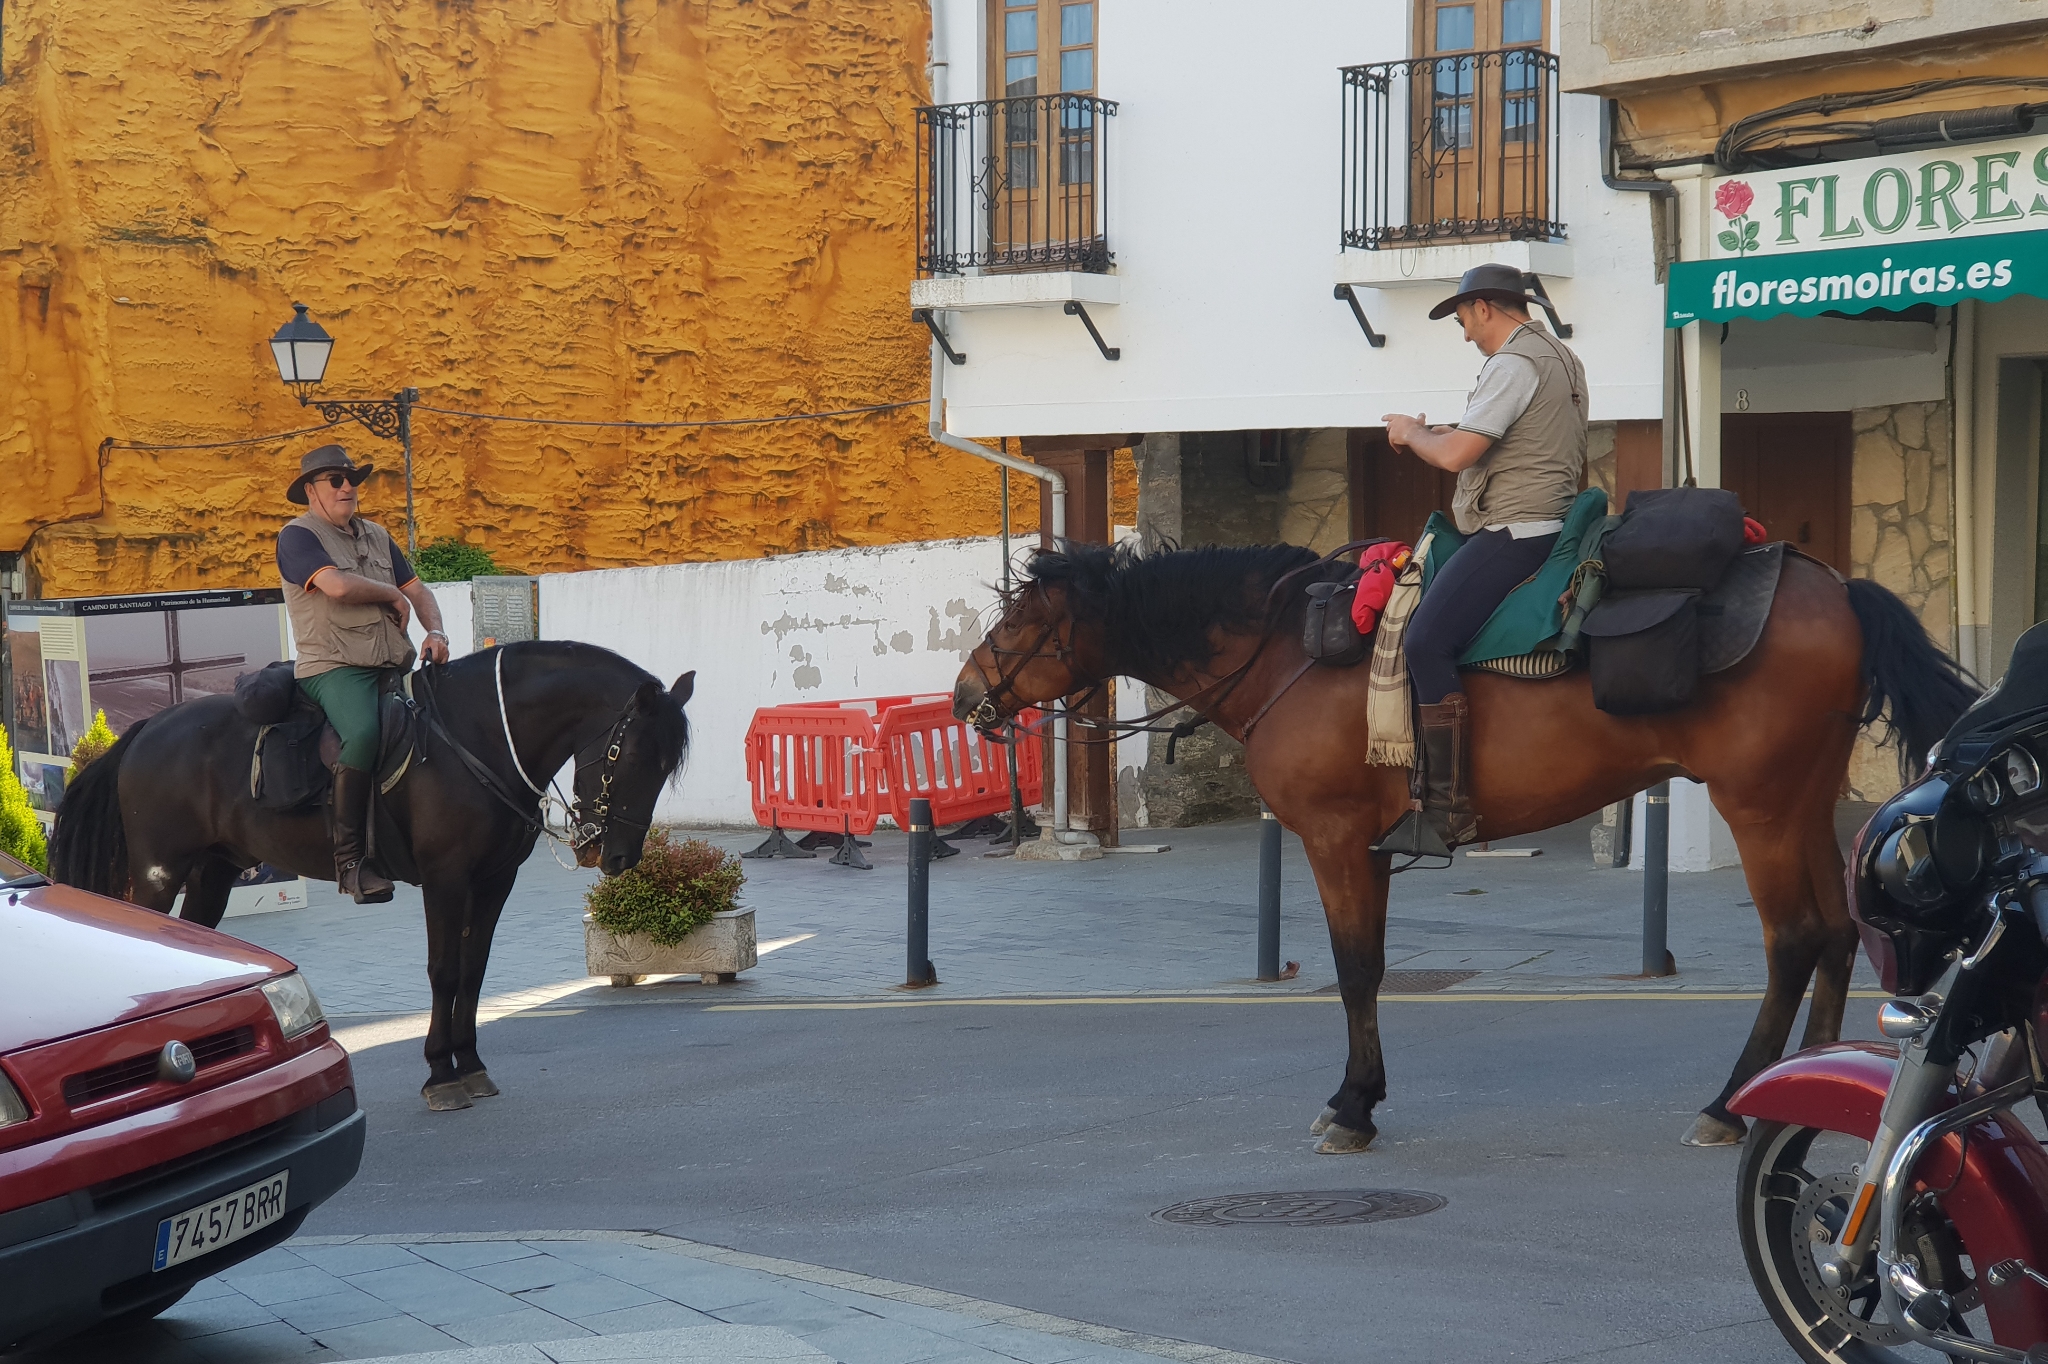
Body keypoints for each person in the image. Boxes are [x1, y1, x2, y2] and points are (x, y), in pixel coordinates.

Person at [1374, 263, 1588, 854]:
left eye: (1464, 318)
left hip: (1517, 530)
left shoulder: (1511, 364)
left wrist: (1412, 433)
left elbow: (1455, 457)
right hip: (1547, 522)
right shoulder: (1559, 356)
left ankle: (1447, 806)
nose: (1465, 333)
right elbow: (1502, 438)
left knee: (1424, 641)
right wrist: (1440, 430)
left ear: (1486, 308)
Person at [277, 444, 451, 902]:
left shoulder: (376, 534)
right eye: (335, 480)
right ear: (311, 491)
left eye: (352, 479)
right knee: (363, 735)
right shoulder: (297, 536)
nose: (347, 487)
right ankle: (351, 863)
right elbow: (334, 585)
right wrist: (390, 596)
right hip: (334, 667)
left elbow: (415, 587)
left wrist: (436, 630)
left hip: (391, 663)